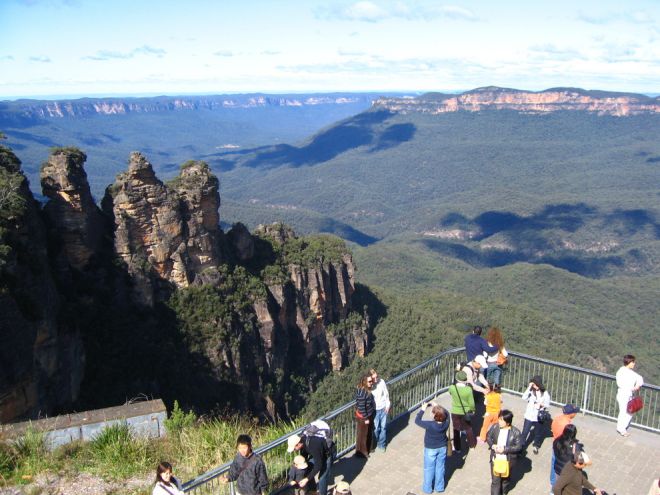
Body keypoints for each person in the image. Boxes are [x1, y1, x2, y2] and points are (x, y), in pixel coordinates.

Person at [415, 402, 450, 494]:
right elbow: (448, 413)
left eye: (432, 412)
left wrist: (422, 409)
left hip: (430, 449)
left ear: (434, 415)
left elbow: (417, 421)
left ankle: (428, 489)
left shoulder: (430, 424)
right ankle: (439, 487)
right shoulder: (446, 423)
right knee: (440, 467)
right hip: (442, 447)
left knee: (429, 469)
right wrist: (438, 406)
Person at [486, 409, 523, 495]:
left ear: (508, 422)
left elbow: (519, 447)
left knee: (505, 481)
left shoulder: (516, 432)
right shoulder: (495, 427)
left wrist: (505, 449)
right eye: (499, 419)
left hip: (508, 461)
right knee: (495, 481)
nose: (499, 421)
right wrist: (492, 445)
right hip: (495, 460)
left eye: (502, 420)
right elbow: (488, 437)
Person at [287, 427, 332, 495]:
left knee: (322, 478)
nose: (294, 450)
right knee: (308, 468)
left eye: (294, 448)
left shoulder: (312, 445)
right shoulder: (303, 444)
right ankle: (312, 490)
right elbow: (304, 457)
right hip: (318, 454)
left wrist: (306, 479)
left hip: (328, 455)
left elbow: (318, 465)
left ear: (298, 444)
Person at [549, 405, 580, 488]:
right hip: (563, 447)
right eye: (575, 412)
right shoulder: (566, 425)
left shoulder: (557, 418)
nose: (576, 414)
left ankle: (552, 483)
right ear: (571, 413)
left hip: (556, 444)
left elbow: (552, 429)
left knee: (554, 464)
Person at [520, 375, 550, 454]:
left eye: (535, 384)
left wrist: (541, 405)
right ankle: (521, 446)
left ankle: (536, 446)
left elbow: (547, 405)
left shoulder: (545, 393)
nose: (534, 386)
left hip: (538, 416)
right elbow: (523, 397)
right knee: (525, 432)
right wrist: (529, 387)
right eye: (533, 384)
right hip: (529, 415)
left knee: (538, 432)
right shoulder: (530, 391)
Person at [615, 354, 644, 436]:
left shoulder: (631, 373)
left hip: (629, 395)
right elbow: (620, 383)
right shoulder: (621, 371)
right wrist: (632, 387)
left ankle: (622, 427)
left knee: (629, 411)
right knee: (624, 411)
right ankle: (621, 429)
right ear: (629, 362)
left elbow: (640, 379)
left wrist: (637, 386)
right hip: (623, 394)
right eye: (633, 362)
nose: (634, 364)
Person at [449, 370, 476, 450]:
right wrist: (473, 410)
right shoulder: (468, 389)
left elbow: (450, 393)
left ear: (456, 379)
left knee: (456, 429)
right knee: (468, 428)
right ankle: (471, 445)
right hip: (466, 412)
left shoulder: (452, 388)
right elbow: (471, 403)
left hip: (455, 411)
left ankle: (457, 448)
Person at [354, 373, 376, 458]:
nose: (371, 383)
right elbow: (361, 407)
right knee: (363, 435)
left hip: (369, 414)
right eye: (370, 382)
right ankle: (362, 452)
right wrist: (366, 418)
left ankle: (369, 448)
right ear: (365, 382)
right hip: (363, 417)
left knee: (369, 432)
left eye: (372, 381)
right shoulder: (362, 394)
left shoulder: (367, 390)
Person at [370, 368, 391, 452]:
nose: (376, 379)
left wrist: (387, 405)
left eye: (376, 377)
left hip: (383, 409)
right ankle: (374, 443)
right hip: (375, 411)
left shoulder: (381, 382)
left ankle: (381, 445)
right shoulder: (369, 386)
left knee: (383, 427)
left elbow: (386, 394)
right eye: (374, 378)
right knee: (375, 429)